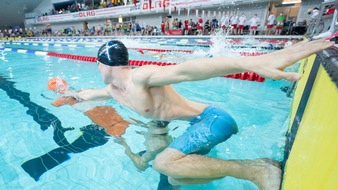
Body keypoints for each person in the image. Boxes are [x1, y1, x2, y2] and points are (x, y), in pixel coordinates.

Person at [73, 39, 333, 189]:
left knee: (162, 163)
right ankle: (261, 164)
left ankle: (252, 171)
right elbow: (88, 94)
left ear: (102, 63)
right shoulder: (113, 90)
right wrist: (69, 94)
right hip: (198, 126)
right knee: (176, 176)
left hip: (213, 120)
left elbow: (189, 69)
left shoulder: (140, 77)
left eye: (97, 65)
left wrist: (247, 63)